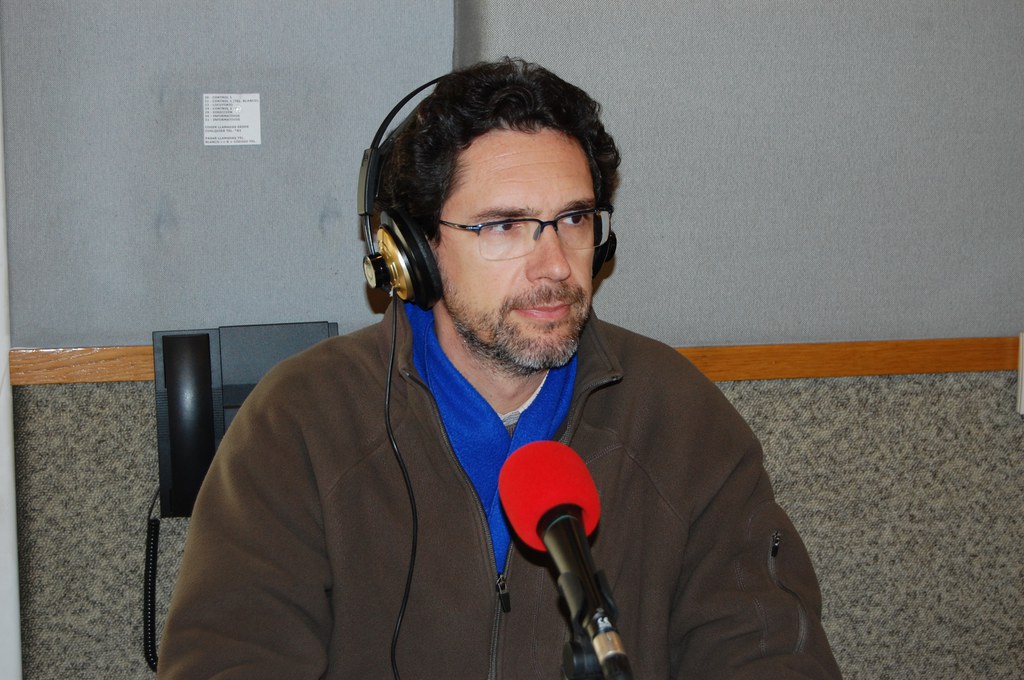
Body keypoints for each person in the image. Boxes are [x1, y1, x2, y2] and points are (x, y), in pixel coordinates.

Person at [158, 58, 841, 678]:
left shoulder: (682, 420)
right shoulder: (301, 422)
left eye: (573, 219)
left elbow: (771, 655)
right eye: (505, 226)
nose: (554, 265)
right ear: (416, 251)